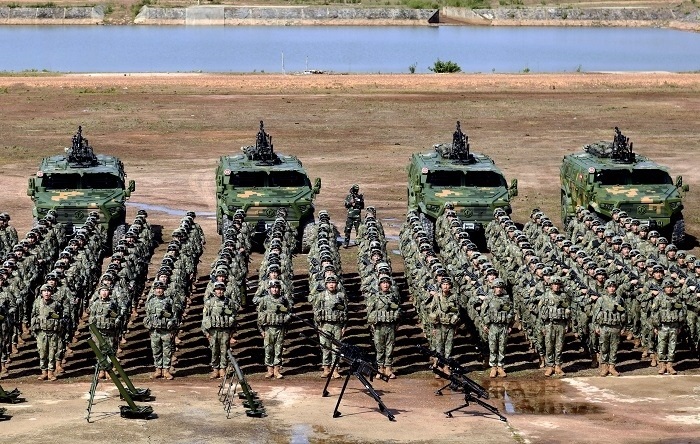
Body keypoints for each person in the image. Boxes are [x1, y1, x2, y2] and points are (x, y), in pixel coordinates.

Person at [310, 275, 347, 378]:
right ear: (326, 284)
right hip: (324, 325)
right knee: (325, 347)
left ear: (337, 284)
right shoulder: (321, 296)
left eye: (333, 282)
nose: (331, 285)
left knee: (336, 348)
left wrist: (344, 326)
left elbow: (345, 312)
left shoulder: (341, 296)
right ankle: (326, 369)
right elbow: (316, 311)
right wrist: (318, 325)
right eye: (329, 283)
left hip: (337, 325)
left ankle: (335, 369)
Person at [31, 284, 68, 381]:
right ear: (41, 293)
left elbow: (62, 317)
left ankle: (51, 372)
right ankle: (44, 372)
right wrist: (34, 330)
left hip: (53, 332)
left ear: (51, 293)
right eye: (44, 291)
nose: (46, 293)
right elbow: (33, 316)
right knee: (42, 353)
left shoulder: (56, 304)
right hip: (41, 332)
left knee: (52, 353)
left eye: (48, 291)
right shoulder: (37, 303)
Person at [366, 275, 401, 379]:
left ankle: (388, 368)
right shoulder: (374, 297)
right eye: (383, 283)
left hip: (390, 326)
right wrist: (373, 321)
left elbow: (398, 310)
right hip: (379, 327)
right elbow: (369, 312)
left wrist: (396, 320)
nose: (385, 285)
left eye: (387, 283)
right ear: (380, 285)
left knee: (390, 348)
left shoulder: (394, 297)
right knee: (379, 348)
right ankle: (380, 369)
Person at [256, 280, 292, 379]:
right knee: (268, 349)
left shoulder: (283, 300)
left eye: (276, 288)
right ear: (269, 289)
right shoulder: (264, 300)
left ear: (279, 289)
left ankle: (277, 370)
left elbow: (289, 312)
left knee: (278, 349)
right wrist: (261, 331)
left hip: (280, 328)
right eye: (273, 287)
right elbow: (259, 315)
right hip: (268, 328)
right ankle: (269, 370)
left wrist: (285, 321)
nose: (275, 289)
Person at [202, 282, 238, 379]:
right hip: (213, 331)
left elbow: (234, 315)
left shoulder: (229, 302)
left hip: (225, 330)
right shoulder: (209, 302)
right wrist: (206, 332)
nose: (220, 291)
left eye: (221, 290)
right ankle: (215, 369)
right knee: (214, 350)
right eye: (218, 289)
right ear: (214, 291)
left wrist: (232, 331)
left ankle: (223, 369)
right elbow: (205, 317)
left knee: (224, 350)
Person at [144, 281, 178, 380]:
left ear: (163, 290)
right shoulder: (150, 301)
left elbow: (175, 316)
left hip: (166, 331)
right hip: (154, 331)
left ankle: (166, 370)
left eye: (160, 289)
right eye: (157, 289)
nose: (158, 290)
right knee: (156, 351)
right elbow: (148, 315)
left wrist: (172, 327)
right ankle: (158, 370)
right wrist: (148, 326)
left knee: (167, 351)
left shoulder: (169, 301)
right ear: (154, 290)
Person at [592, 279, 626, 377]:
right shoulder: (601, 299)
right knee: (604, 347)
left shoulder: (619, 299)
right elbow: (595, 314)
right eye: (610, 287)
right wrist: (596, 326)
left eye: (613, 287)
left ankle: (612, 367)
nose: (612, 288)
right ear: (606, 288)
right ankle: (604, 367)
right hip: (604, 327)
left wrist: (623, 327)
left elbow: (624, 313)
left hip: (616, 327)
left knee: (614, 348)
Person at [481, 278, 513, 378]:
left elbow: (511, 311)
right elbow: (483, 312)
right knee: (493, 347)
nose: (499, 289)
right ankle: (493, 367)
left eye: (500, 287)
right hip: (493, 326)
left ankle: (500, 366)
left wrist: (509, 324)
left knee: (502, 347)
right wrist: (485, 324)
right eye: (497, 287)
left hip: (503, 326)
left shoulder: (506, 298)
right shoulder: (489, 298)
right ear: (494, 288)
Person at [652, 279, 686, 375]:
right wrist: (656, 326)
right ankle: (662, 365)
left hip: (674, 325)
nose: (669, 289)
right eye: (667, 287)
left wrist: (680, 325)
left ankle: (670, 365)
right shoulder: (659, 298)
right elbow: (654, 312)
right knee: (661, 346)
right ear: (664, 288)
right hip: (662, 326)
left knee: (672, 346)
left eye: (671, 287)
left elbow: (681, 311)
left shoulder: (677, 297)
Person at [539, 276, 571, 377]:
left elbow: (568, 310)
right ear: (551, 285)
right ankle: (550, 366)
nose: (556, 286)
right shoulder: (545, 295)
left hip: (561, 324)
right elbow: (540, 312)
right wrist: (542, 326)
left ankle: (558, 366)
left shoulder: (564, 296)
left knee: (559, 346)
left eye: (558, 284)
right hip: (549, 324)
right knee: (549, 346)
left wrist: (567, 324)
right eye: (554, 284)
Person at [428, 276, 460, 377]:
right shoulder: (436, 297)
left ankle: (446, 366)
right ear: (441, 286)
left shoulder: (454, 297)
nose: (445, 286)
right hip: (439, 325)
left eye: (447, 284)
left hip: (450, 325)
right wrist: (433, 326)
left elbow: (458, 311)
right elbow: (431, 311)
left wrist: (455, 324)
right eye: (443, 284)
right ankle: (438, 366)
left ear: (450, 286)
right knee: (439, 347)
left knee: (449, 347)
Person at [88, 286, 122, 379]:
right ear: (99, 292)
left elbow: (117, 316)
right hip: (98, 332)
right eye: (102, 290)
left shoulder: (113, 303)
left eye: (106, 290)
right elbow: (91, 318)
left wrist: (116, 322)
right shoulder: (95, 304)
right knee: (99, 351)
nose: (104, 292)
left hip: (110, 332)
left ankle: (109, 371)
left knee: (110, 351)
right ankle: (101, 370)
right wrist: (93, 332)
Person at [343, 184, 364, 248]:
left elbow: (362, 206)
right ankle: (346, 243)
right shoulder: (349, 197)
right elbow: (346, 205)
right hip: (350, 216)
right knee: (347, 230)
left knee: (358, 230)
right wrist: (351, 203)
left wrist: (357, 204)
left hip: (357, 216)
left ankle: (359, 243)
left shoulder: (359, 197)